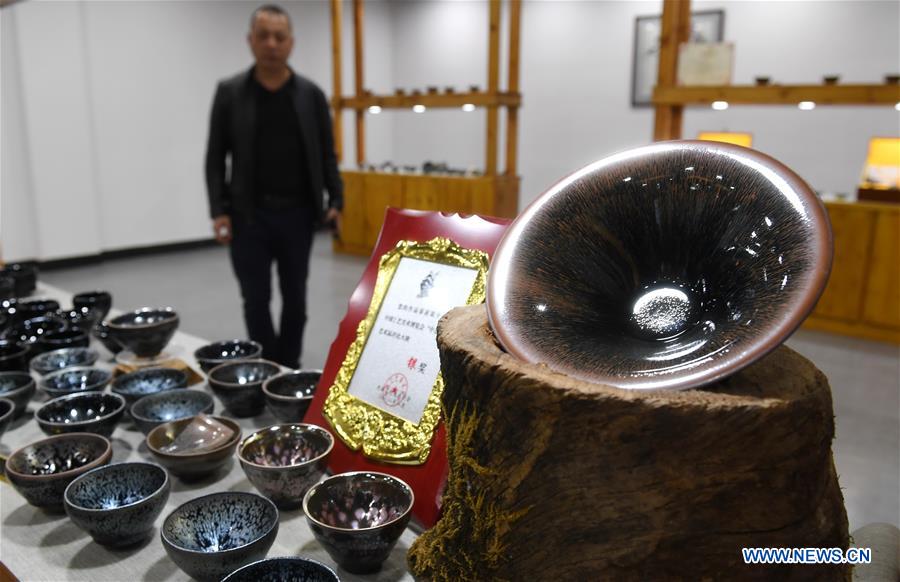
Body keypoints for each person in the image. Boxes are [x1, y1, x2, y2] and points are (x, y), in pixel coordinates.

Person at [205, 4, 342, 369]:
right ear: (250, 41)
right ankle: (266, 364)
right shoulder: (230, 93)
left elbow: (327, 153)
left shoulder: (311, 95)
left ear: (290, 43)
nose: (271, 44)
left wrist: (336, 199)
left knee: (296, 297)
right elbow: (215, 157)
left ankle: (289, 365)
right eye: (263, 36)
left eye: (279, 37)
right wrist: (218, 210)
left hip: (299, 214)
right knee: (255, 298)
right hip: (248, 216)